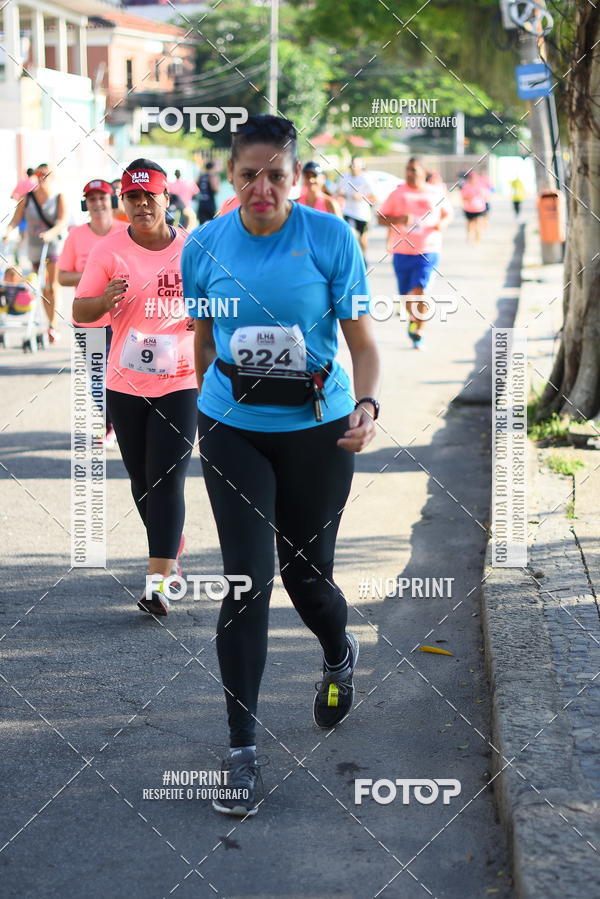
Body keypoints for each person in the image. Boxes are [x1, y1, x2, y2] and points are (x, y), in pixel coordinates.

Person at [181, 113, 380, 818]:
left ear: (296, 176)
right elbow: (204, 342)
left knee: (306, 573)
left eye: (275, 174)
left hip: (318, 429)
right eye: (248, 174)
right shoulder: (203, 245)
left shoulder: (330, 237)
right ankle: (240, 749)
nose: (261, 186)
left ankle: (337, 653)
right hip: (232, 427)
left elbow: (362, 341)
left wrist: (367, 406)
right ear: (229, 177)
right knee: (246, 579)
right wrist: (201, 418)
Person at [73, 159, 198, 615]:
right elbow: (81, 312)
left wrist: (202, 315)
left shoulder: (192, 248)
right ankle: (172, 546)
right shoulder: (107, 251)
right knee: (142, 483)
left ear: (167, 198)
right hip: (125, 384)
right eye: (132, 197)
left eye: (150, 195)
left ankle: (158, 583)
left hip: (182, 381)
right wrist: (102, 301)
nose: (142, 204)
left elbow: (222, 303)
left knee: (166, 481)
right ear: (123, 202)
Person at [59, 179, 126, 447]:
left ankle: (128, 422)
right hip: (88, 318)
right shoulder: (76, 235)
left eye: (102, 198)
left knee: (125, 372)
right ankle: (110, 425)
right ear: (85, 204)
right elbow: (62, 276)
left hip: (124, 316)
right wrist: (92, 273)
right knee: (99, 375)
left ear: (111, 201)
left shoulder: (125, 230)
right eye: (92, 199)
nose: (97, 204)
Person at [377, 157, 452, 350]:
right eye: (407, 169)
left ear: (423, 172)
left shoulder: (434, 192)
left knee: (420, 291)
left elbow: (448, 213)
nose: (410, 173)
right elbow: (380, 219)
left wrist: (441, 225)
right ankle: (413, 318)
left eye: (414, 170)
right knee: (407, 296)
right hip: (402, 251)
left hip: (428, 249)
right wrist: (399, 218)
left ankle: (420, 332)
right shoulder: (397, 193)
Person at [3, 164, 68, 342]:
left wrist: (50, 233)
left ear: (52, 177)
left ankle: (53, 325)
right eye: (39, 174)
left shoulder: (58, 198)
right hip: (34, 248)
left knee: (51, 286)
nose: (42, 178)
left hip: (52, 245)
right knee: (40, 285)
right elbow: (15, 220)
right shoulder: (28, 198)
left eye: (46, 175)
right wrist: (8, 232)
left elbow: (62, 222)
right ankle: (47, 322)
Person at [335, 157, 376, 262]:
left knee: (362, 237)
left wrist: (361, 197)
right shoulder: (344, 177)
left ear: (361, 167)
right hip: (347, 211)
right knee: (349, 233)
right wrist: (341, 194)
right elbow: (337, 191)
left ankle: (363, 256)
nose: (353, 167)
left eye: (356, 165)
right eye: (352, 165)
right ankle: (351, 257)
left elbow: (374, 197)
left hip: (362, 213)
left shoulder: (366, 178)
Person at [460, 170, 488, 244]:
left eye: (474, 178)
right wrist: (470, 196)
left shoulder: (480, 186)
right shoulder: (466, 187)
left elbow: (485, 197)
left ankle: (477, 240)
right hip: (469, 209)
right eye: (471, 178)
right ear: (469, 179)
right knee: (469, 224)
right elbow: (463, 197)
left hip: (479, 209)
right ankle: (469, 237)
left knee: (478, 225)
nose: (473, 179)